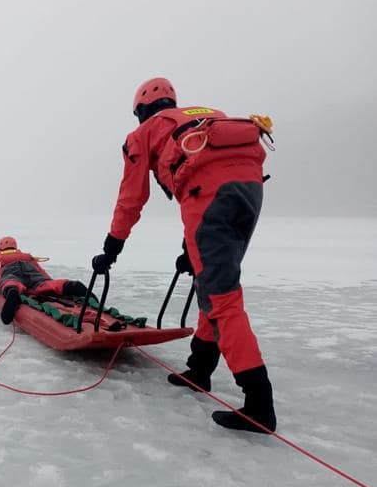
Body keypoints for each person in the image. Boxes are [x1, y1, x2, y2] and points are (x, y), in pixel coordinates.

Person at [91, 77, 276, 433]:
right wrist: (188, 250)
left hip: (211, 198)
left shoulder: (144, 133)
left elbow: (132, 198)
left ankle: (259, 405)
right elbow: (208, 176)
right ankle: (200, 370)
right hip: (249, 193)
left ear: (142, 110)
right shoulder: (206, 116)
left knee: (222, 298)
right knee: (213, 284)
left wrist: (111, 248)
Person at [0, 236, 89, 324]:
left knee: (11, 282)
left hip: (9, 271)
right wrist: (50, 285)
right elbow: (41, 273)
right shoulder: (27, 257)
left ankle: (13, 292)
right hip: (31, 271)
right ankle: (69, 285)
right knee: (43, 283)